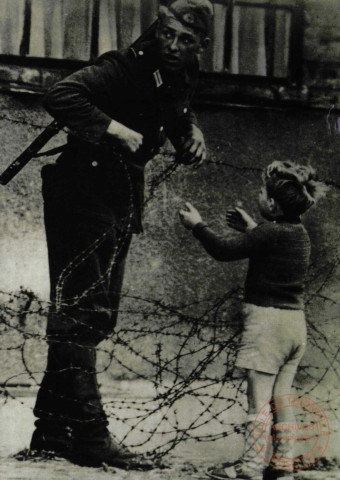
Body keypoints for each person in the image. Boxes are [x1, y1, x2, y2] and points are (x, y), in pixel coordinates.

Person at [30, 0, 214, 469]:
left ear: (200, 46)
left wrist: (190, 130)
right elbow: (61, 95)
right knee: (82, 312)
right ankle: (92, 438)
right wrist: (113, 129)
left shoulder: (181, 74)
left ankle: (51, 430)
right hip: (82, 193)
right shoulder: (122, 66)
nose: (172, 46)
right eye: (168, 33)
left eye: (185, 40)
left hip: (118, 199)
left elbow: (174, 108)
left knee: (93, 315)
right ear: (159, 26)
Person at [179, 161, 327, 480]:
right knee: (281, 398)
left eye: (262, 193)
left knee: (257, 400)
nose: (258, 196)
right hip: (295, 326)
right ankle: (283, 462)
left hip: (267, 325)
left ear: (271, 204)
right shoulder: (297, 232)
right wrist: (251, 228)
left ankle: (250, 466)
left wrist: (197, 226)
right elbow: (269, 245)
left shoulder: (269, 231)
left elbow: (223, 250)